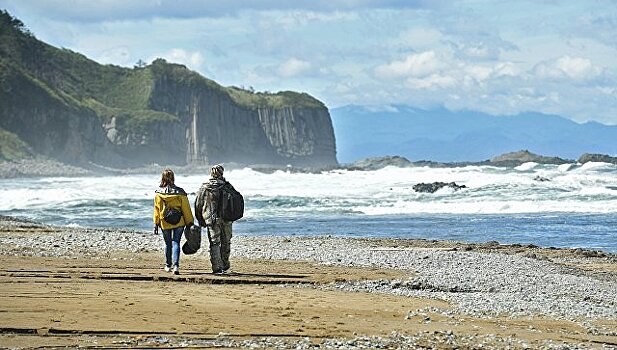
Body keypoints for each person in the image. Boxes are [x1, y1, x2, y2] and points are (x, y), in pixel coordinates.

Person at [153, 168, 194, 275]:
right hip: (179, 222)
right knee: (176, 242)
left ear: (163, 178)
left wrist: (156, 223)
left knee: (168, 244)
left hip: (164, 222)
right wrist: (190, 222)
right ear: (173, 178)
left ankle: (168, 265)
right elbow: (186, 209)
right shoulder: (180, 193)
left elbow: (157, 210)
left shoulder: (158, 194)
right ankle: (176, 266)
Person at [195, 164, 233, 274]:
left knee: (214, 242)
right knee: (226, 242)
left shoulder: (205, 187)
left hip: (210, 219)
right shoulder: (227, 186)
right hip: (226, 219)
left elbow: (198, 204)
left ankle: (217, 267)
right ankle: (225, 264)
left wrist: (200, 219)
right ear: (222, 173)